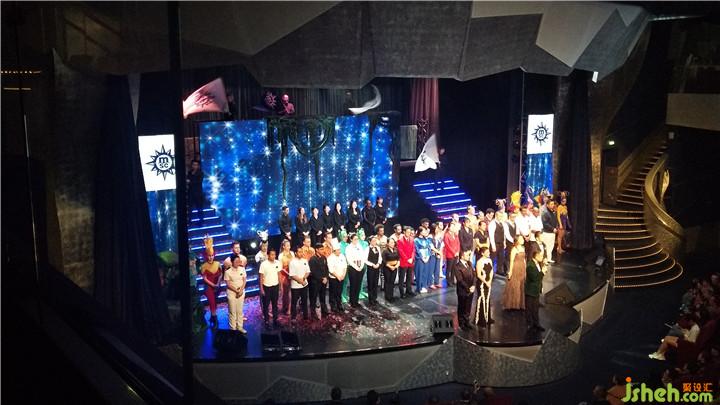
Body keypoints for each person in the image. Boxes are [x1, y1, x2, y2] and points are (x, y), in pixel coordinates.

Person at [201, 238, 222, 328]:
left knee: (214, 302)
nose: (211, 257)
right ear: (206, 256)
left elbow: (221, 274)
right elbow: (204, 278)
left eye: (212, 255)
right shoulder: (204, 266)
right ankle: (215, 318)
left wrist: (218, 283)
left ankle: (212, 317)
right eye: (209, 256)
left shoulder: (217, 263)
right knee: (212, 302)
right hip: (209, 287)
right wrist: (213, 285)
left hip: (217, 286)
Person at [224, 254, 247, 333]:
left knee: (240, 311)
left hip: (241, 292)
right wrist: (236, 291)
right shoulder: (228, 272)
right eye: (236, 261)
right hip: (232, 293)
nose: (238, 263)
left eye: (238, 261)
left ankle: (240, 327)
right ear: (232, 262)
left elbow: (244, 280)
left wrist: (241, 290)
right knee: (232, 311)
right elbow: (228, 284)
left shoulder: (242, 269)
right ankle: (233, 329)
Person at [502, 236, 526, 311]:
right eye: (521, 239)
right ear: (517, 240)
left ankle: (520, 303)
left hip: (522, 267)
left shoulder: (523, 248)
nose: (523, 240)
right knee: (515, 285)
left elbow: (524, 259)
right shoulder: (514, 249)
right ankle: (513, 304)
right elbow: (511, 261)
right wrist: (510, 271)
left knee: (521, 285)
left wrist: (525, 268)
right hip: (516, 268)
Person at [259, 248, 281, 328]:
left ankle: (275, 320)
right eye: (272, 255)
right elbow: (261, 277)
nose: (273, 256)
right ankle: (267, 321)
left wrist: (280, 286)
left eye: (274, 254)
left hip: (275, 286)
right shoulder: (263, 264)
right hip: (266, 287)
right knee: (266, 305)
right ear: (268, 255)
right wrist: (261, 288)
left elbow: (279, 275)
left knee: (275, 304)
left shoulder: (278, 263)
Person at [525, 248, 546, 331]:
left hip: (536, 290)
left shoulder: (538, 264)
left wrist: (541, 286)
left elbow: (539, 278)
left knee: (535, 309)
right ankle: (529, 324)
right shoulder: (530, 266)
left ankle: (536, 323)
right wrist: (542, 272)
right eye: (540, 256)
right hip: (530, 291)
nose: (542, 257)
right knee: (529, 308)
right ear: (536, 256)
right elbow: (534, 278)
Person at [289, 247, 311, 321]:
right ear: (295, 253)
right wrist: (300, 281)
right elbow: (292, 275)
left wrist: (304, 278)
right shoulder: (292, 262)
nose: (301, 253)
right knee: (294, 302)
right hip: (295, 286)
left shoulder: (304, 260)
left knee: (305, 301)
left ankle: (305, 316)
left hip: (304, 284)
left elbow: (308, 271)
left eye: (302, 252)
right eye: (299, 252)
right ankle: (293, 317)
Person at [345, 233, 368, 308]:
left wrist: (361, 266)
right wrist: (356, 267)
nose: (356, 240)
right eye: (355, 239)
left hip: (360, 266)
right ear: (351, 239)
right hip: (352, 267)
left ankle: (356, 300)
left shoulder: (359, 246)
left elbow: (363, 256)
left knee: (358, 284)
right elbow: (349, 259)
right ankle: (352, 301)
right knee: (353, 285)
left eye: (357, 239)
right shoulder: (348, 247)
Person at [308, 243, 330, 319]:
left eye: (323, 249)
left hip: (324, 281)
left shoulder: (324, 257)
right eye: (321, 249)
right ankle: (313, 312)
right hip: (315, 282)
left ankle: (324, 310)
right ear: (316, 250)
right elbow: (313, 272)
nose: (323, 250)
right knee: (313, 297)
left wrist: (326, 277)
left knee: (322, 296)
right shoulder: (312, 259)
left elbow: (326, 268)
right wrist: (321, 279)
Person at [455, 250, 476, 331]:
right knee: (462, 307)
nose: (469, 256)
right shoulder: (457, 266)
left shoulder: (469, 263)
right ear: (462, 256)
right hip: (463, 290)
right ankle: (461, 323)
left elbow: (474, 275)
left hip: (471, 289)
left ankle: (467, 321)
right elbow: (460, 280)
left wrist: (473, 285)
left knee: (468, 306)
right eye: (467, 255)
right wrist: (468, 288)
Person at [475, 247, 494, 327]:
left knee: (487, 298)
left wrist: (490, 281)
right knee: (482, 299)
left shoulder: (489, 260)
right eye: (487, 252)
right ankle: (481, 319)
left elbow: (492, 271)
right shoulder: (479, 262)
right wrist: (486, 282)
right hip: (482, 283)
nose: (489, 253)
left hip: (488, 282)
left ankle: (488, 318)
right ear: (482, 253)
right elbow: (479, 275)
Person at [327, 240, 348, 313]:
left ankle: (339, 304)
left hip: (341, 277)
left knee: (339, 292)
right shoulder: (330, 258)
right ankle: (333, 305)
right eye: (338, 250)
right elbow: (331, 270)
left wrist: (343, 275)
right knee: (333, 292)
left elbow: (345, 266)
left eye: (339, 250)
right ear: (334, 251)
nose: (339, 251)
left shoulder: (342, 256)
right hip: (334, 278)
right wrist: (337, 276)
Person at [397, 226, 416, 298]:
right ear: (404, 232)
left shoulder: (412, 239)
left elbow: (413, 250)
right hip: (404, 261)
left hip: (410, 261)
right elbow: (400, 251)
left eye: (410, 232)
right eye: (407, 232)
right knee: (402, 278)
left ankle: (409, 290)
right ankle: (402, 293)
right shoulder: (400, 240)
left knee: (409, 277)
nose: (409, 233)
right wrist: (407, 259)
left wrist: (412, 258)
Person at [278, 239, 295, 315]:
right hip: (284, 274)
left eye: (289, 245)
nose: (289, 247)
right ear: (283, 246)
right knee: (285, 293)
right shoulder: (281, 255)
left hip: (292, 273)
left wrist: (293, 273)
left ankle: (290, 308)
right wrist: (288, 274)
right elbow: (280, 268)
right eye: (287, 246)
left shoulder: (292, 253)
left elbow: (294, 263)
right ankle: (285, 307)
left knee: (292, 292)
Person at [414, 226, 432, 294]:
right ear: (420, 232)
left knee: (425, 272)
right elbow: (417, 250)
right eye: (424, 231)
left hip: (426, 258)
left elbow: (429, 248)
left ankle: (424, 286)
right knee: (419, 273)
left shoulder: (427, 239)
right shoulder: (416, 240)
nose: (425, 232)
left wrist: (428, 257)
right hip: (420, 259)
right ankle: (419, 287)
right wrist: (422, 258)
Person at [366, 236, 383, 306]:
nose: (374, 242)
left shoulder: (377, 248)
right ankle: (370, 299)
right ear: (369, 241)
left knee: (375, 283)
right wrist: (372, 264)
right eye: (373, 241)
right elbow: (365, 260)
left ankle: (374, 298)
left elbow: (380, 257)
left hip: (377, 267)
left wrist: (378, 263)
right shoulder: (367, 249)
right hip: (370, 268)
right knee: (371, 283)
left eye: (375, 241)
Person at [382, 238, 400, 302]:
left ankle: (391, 295)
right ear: (388, 243)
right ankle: (387, 296)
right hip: (387, 268)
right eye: (391, 242)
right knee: (387, 282)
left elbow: (398, 258)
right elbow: (384, 261)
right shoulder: (385, 251)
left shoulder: (396, 250)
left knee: (392, 282)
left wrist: (397, 265)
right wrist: (390, 266)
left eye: (393, 242)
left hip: (394, 267)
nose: (393, 244)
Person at [488, 211, 506, 276]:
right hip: (495, 243)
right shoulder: (492, 223)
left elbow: (503, 234)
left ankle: (499, 270)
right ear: (496, 216)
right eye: (500, 216)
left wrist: (504, 242)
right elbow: (491, 235)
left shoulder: (502, 223)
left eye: (501, 216)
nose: (501, 217)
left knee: (501, 258)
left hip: (501, 243)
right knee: (492, 259)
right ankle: (491, 273)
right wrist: (493, 245)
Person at [443, 221, 460, 286]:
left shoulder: (455, 235)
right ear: (449, 228)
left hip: (456, 254)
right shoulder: (446, 235)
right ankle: (448, 281)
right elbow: (447, 245)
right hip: (450, 254)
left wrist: (457, 251)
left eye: (454, 226)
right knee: (449, 268)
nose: (453, 228)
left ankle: (452, 280)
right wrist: (454, 252)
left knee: (454, 268)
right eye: (452, 227)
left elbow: (458, 244)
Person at [430, 222, 445, 289]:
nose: (437, 230)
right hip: (432, 254)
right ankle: (430, 283)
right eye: (436, 228)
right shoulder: (430, 236)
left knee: (437, 268)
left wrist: (440, 253)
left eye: (438, 228)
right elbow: (431, 247)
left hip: (438, 254)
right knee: (431, 269)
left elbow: (441, 244)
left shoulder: (439, 236)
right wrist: (438, 252)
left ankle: (436, 282)